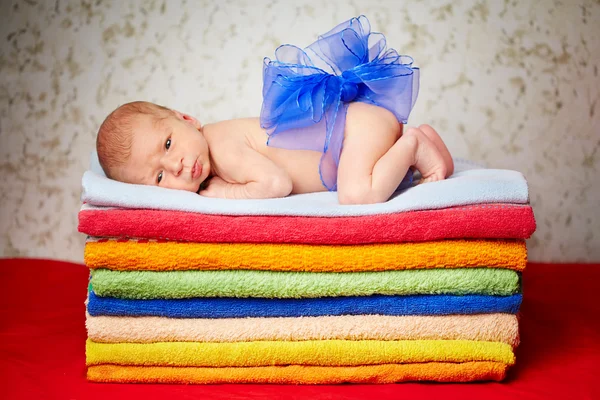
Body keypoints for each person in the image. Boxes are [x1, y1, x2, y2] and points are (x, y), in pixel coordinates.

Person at [95, 16, 454, 205]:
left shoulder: (221, 145)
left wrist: (227, 193)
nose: (174, 167)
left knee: (356, 195)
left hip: (354, 129)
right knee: (367, 178)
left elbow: (276, 184)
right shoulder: (214, 151)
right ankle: (412, 141)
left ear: (187, 119)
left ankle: (412, 146)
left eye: (168, 145)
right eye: (159, 178)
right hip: (358, 132)